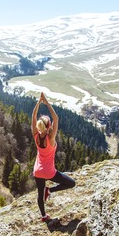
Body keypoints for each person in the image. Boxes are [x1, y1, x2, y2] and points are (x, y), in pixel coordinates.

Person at [31, 92, 76, 222]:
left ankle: (44, 216)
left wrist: (38, 103)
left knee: (40, 194)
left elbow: (33, 117)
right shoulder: (50, 138)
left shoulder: (35, 135)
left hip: (37, 171)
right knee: (71, 183)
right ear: (49, 126)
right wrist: (46, 102)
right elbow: (56, 118)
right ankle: (50, 190)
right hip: (49, 172)